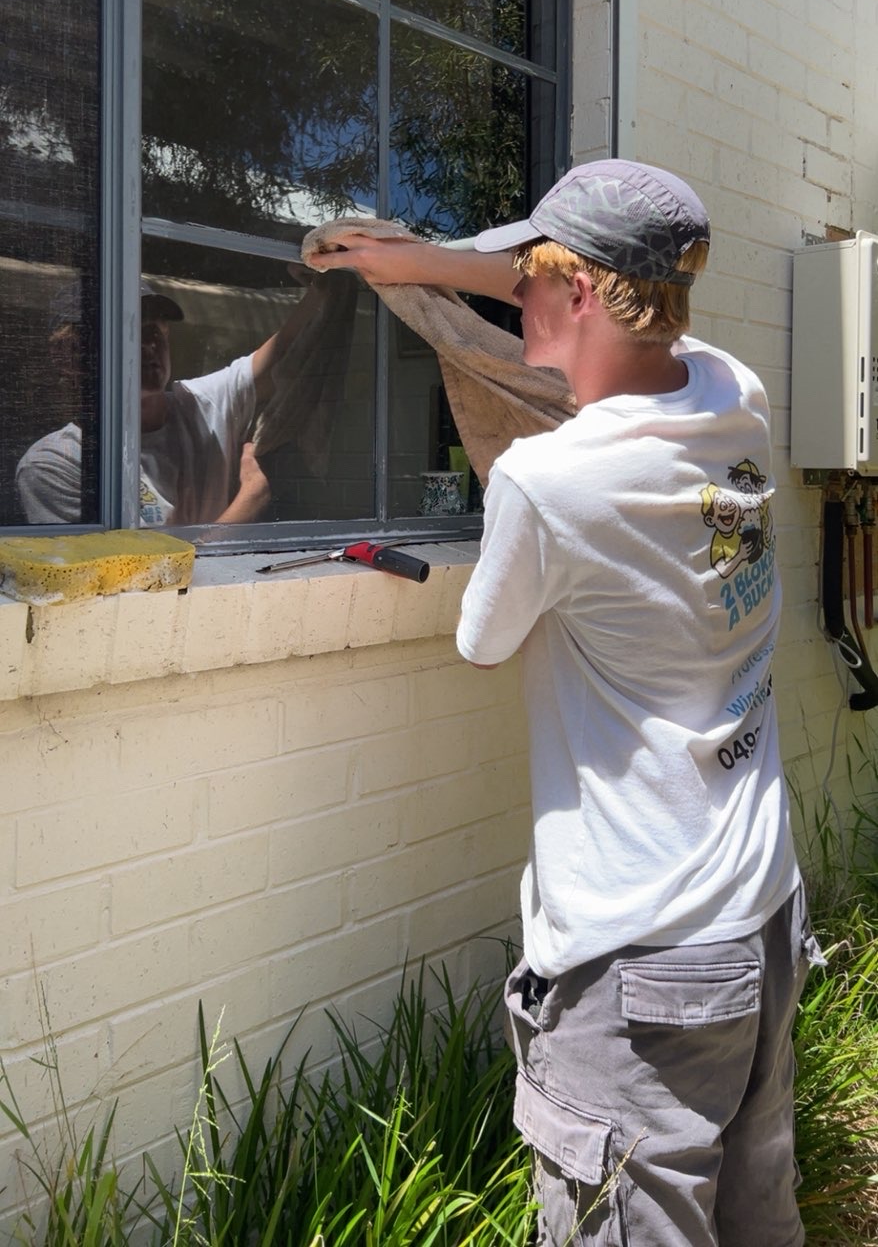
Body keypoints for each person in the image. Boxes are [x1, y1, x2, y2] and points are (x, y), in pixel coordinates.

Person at [310, 159, 821, 1247]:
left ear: (576, 292)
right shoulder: (734, 395)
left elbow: (483, 640)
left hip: (641, 966)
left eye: (528, 274)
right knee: (753, 1215)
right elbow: (580, 305)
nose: (513, 290)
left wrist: (424, 279)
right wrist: (419, 267)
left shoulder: (548, 483)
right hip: (759, 915)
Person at [17, 273, 327, 527]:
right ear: (69, 356)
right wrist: (250, 502)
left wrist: (323, 285)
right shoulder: (57, 464)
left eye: (155, 330)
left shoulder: (198, 404)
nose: (150, 344)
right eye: (128, 332)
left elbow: (287, 352)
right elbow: (132, 586)